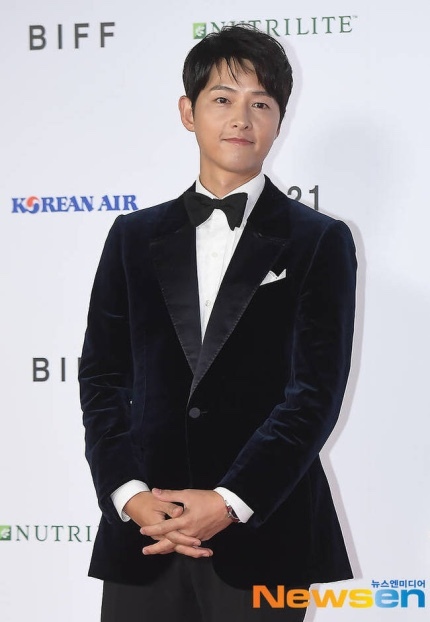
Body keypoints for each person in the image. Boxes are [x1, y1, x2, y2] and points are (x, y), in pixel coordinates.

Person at [79, 24, 356, 622]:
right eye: (223, 99)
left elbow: (314, 393)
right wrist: (129, 495)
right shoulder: (131, 237)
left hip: (264, 533)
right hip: (144, 536)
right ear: (189, 111)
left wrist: (231, 501)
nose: (241, 119)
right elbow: (102, 379)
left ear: (279, 120)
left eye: (261, 103)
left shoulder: (319, 240)